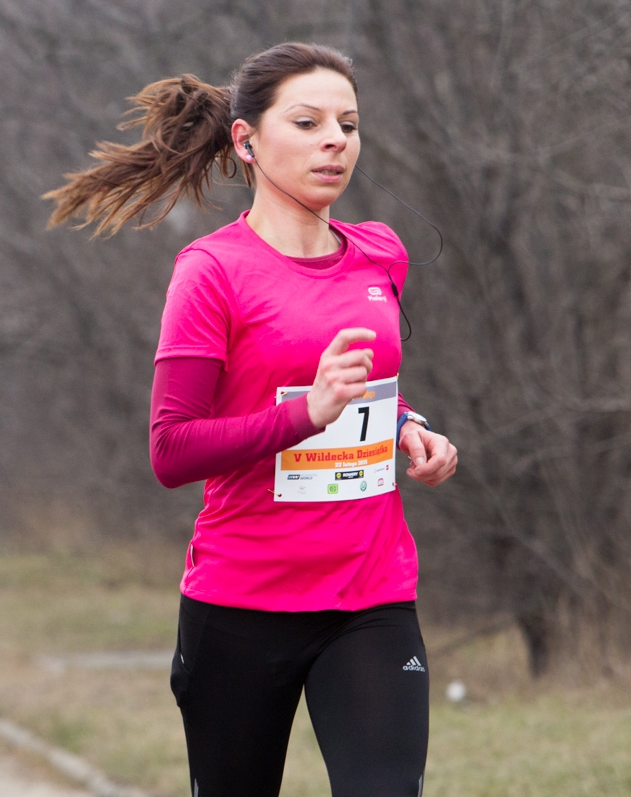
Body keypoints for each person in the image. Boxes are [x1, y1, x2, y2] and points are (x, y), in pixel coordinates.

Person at [45, 42, 458, 797]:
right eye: (308, 122)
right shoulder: (213, 272)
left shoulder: (380, 256)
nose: (336, 139)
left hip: (370, 598)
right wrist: (308, 414)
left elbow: (367, 391)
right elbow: (172, 450)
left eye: (349, 123)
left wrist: (410, 426)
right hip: (242, 605)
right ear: (247, 140)